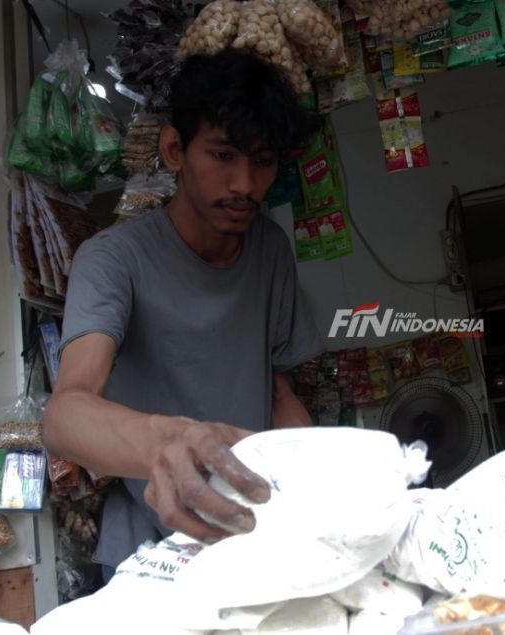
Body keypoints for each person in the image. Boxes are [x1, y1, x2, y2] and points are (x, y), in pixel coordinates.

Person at [44, 51, 325, 579]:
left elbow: (279, 393)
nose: (244, 184)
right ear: (175, 150)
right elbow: (65, 414)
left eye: (262, 162)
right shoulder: (112, 259)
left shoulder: (270, 248)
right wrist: (167, 443)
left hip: (252, 532)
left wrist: (312, 488)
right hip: (149, 546)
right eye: (222, 155)